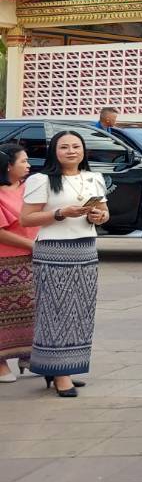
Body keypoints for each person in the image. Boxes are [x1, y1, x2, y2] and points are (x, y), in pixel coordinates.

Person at [20, 131, 108, 397]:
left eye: (76, 146)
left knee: (80, 313)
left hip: (85, 249)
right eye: (64, 147)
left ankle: (65, 367)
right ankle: (60, 373)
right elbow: (26, 219)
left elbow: (105, 214)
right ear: (54, 151)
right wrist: (60, 213)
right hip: (53, 251)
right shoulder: (41, 179)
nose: (71, 151)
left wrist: (97, 216)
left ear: (84, 151)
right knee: (55, 312)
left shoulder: (94, 178)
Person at [0, 144, 38, 383]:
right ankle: (1, 363)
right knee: (5, 314)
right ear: (8, 166)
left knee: (30, 312)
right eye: (23, 161)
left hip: (33, 260)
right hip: (6, 262)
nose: (28, 165)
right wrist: (32, 245)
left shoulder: (30, 189)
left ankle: (29, 357)